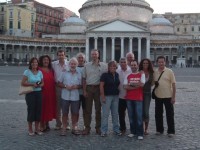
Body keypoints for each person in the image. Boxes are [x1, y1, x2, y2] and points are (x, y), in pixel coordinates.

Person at [82, 49, 107, 135]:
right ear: (90, 55)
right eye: (92, 54)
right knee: (87, 110)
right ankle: (87, 127)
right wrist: (84, 90)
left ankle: (98, 127)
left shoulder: (104, 66)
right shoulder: (86, 65)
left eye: (95, 54)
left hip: (98, 88)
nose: (94, 56)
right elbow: (84, 79)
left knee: (98, 109)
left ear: (98, 55)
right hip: (89, 88)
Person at [58, 58, 82, 136]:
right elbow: (59, 83)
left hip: (75, 96)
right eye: (71, 64)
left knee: (75, 112)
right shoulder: (64, 72)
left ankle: (74, 127)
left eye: (74, 64)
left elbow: (82, 84)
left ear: (77, 65)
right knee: (64, 113)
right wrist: (65, 86)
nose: (73, 65)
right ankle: (64, 127)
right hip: (65, 95)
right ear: (69, 64)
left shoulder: (79, 73)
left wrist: (77, 86)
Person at [153, 56, 176, 137]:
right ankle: (159, 130)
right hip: (158, 95)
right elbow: (152, 83)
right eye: (159, 62)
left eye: (162, 62)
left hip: (168, 96)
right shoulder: (155, 72)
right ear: (157, 62)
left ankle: (171, 131)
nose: (161, 63)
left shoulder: (169, 71)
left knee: (169, 114)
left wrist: (173, 97)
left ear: (165, 62)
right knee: (158, 114)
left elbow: (173, 85)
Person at [21, 57, 44, 136]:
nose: (35, 64)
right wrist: (32, 84)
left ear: (38, 64)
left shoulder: (40, 72)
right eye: (33, 62)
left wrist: (39, 85)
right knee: (31, 110)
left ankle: (37, 129)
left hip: (39, 93)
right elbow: (23, 83)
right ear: (30, 63)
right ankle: (30, 128)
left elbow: (43, 83)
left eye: (36, 62)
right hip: (30, 93)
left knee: (38, 110)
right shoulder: (27, 72)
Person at [124, 60, 145, 140]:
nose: (133, 66)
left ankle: (140, 133)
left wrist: (131, 85)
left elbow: (142, 84)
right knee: (131, 116)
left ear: (137, 65)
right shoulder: (128, 75)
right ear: (130, 65)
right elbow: (125, 86)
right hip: (129, 98)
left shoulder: (141, 74)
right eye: (132, 65)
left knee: (139, 117)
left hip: (138, 98)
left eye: (134, 65)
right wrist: (137, 85)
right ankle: (133, 132)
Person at [100, 60, 121, 137]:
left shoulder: (117, 74)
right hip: (107, 96)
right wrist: (103, 96)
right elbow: (101, 86)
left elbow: (118, 85)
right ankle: (104, 130)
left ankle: (116, 130)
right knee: (105, 114)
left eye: (114, 66)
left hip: (115, 96)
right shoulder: (104, 75)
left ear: (116, 67)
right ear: (108, 67)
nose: (112, 67)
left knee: (115, 114)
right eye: (111, 66)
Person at [52, 50, 70, 130]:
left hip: (66, 86)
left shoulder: (69, 64)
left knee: (66, 106)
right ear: (57, 56)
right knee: (58, 106)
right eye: (59, 55)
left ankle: (67, 123)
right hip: (57, 87)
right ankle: (58, 124)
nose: (61, 57)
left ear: (65, 56)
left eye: (62, 55)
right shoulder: (53, 64)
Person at [39, 55, 56, 132]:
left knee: (48, 107)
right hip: (42, 91)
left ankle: (47, 123)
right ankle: (41, 124)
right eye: (44, 60)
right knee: (42, 108)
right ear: (41, 61)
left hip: (51, 92)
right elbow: (37, 80)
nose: (46, 61)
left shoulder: (51, 70)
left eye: (47, 60)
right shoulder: (39, 70)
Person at [116, 58, 132, 134]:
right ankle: (122, 128)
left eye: (124, 62)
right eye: (121, 62)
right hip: (120, 95)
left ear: (127, 62)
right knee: (121, 113)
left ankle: (133, 127)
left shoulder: (131, 70)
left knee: (131, 113)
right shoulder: (117, 71)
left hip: (130, 96)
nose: (122, 63)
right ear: (119, 63)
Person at [139, 58, 154, 135]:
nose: (145, 64)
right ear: (142, 64)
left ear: (149, 64)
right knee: (140, 111)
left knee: (146, 111)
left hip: (147, 93)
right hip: (139, 93)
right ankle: (141, 127)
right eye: (144, 63)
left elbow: (154, 82)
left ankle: (146, 128)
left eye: (146, 63)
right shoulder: (139, 72)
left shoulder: (152, 72)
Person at [76, 53, 86, 128]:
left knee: (86, 110)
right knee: (76, 110)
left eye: (82, 58)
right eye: (79, 58)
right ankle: (75, 124)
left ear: (84, 59)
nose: (80, 59)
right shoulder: (74, 67)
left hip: (85, 92)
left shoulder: (87, 67)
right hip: (76, 92)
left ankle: (86, 125)